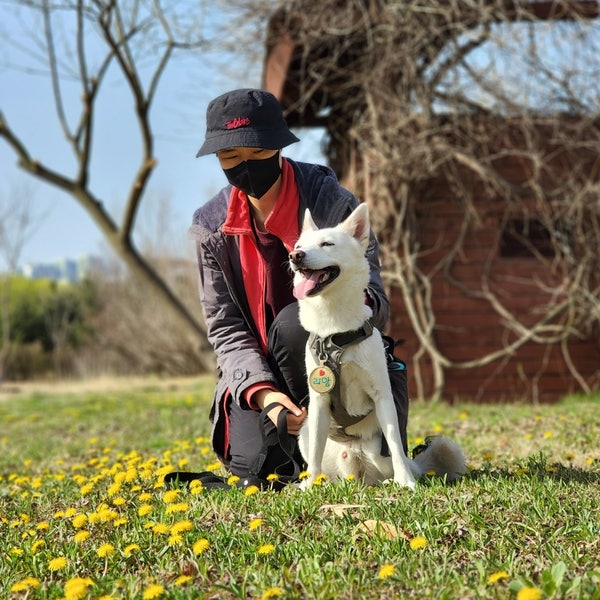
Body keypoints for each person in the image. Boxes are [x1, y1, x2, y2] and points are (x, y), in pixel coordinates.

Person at [191, 88, 390, 488]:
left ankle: (346, 437)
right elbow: (225, 327)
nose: (244, 166)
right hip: (264, 370)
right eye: (230, 157)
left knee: (294, 321)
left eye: (257, 153)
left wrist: (343, 296)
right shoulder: (209, 227)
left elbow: (377, 302)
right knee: (256, 469)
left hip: (344, 367)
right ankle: (296, 436)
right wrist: (265, 395)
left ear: (279, 148)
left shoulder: (329, 201)